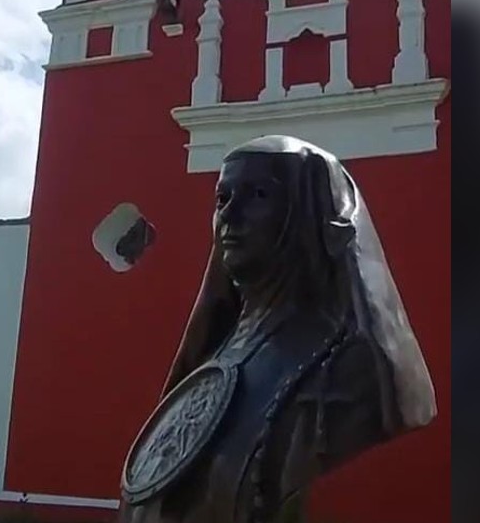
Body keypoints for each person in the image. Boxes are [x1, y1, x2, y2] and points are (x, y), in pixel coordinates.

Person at [118, 135, 435, 523]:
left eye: (259, 195)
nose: (230, 215)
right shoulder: (217, 354)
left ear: (304, 213)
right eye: (223, 198)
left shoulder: (349, 370)